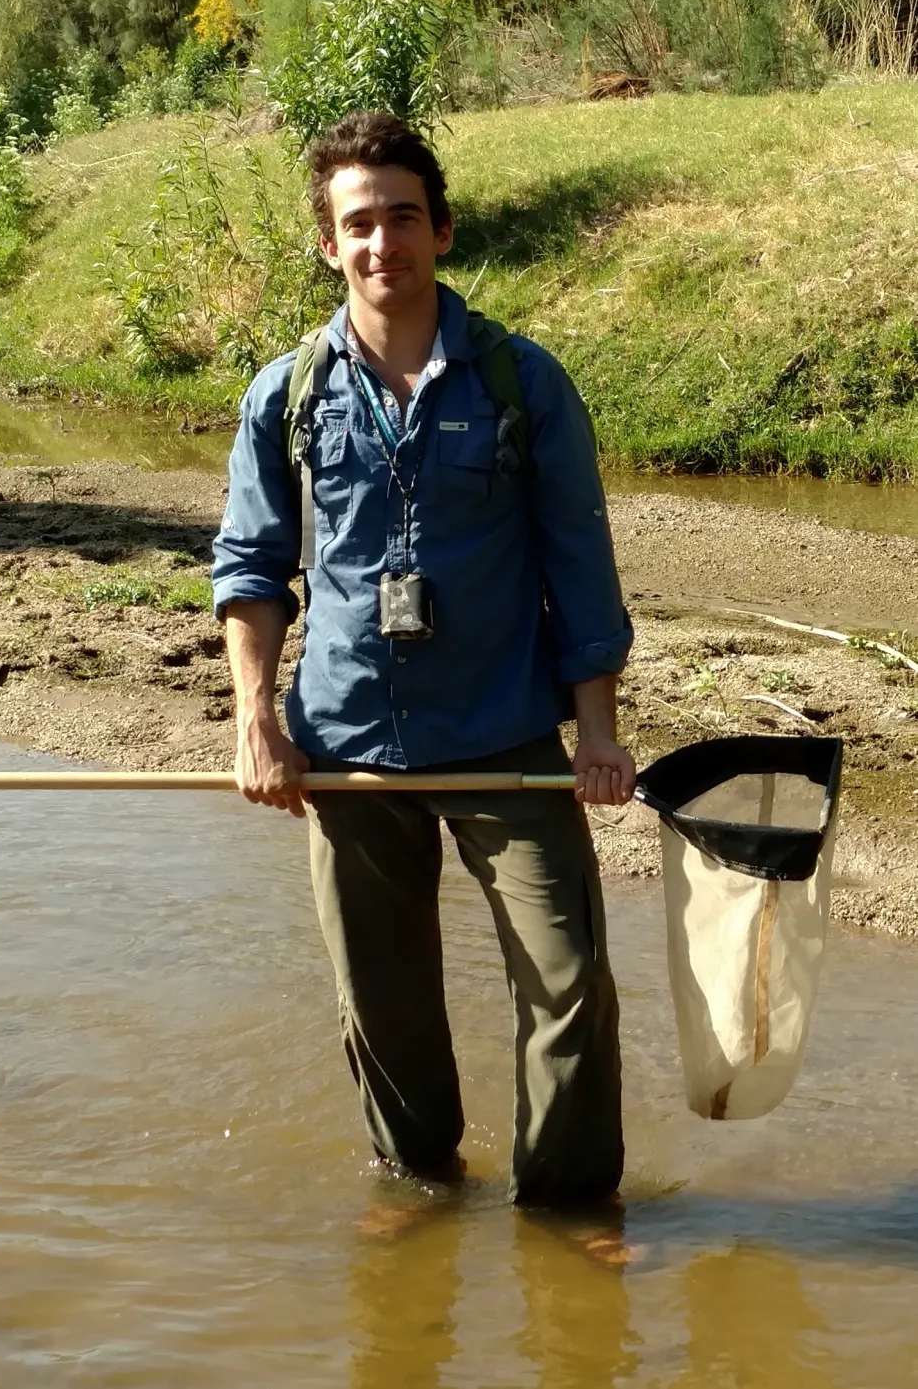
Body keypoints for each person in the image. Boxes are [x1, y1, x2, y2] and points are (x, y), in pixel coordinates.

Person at [211, 110, 636, 1207]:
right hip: (346, 744)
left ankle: (568, 1204)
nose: (380, 243)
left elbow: (577, 564)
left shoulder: (521, 382)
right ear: (328, 245)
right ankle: (419, 1186)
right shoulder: (285, 394)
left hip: (504, 735)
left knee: (569, 982)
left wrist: (597, 734)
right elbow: (251, 567)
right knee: (382, 1000)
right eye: (358, 224)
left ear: (441, 231)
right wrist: (257, 721)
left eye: (403, 217)